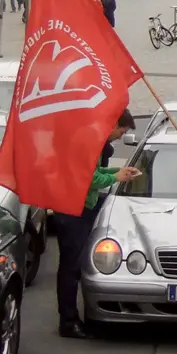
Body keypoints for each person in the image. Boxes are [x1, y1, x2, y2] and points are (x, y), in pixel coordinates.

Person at [53, 111, 141, 338]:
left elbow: (96, 171)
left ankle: (70, 318)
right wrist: (115, 178)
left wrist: (117, 172)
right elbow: (88, 178)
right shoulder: (87, 142)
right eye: (122, 131)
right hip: (72, 209)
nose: (121, 137)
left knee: (72, 266)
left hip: (75, 207)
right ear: (112, 124)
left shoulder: (89, 139)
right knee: (71, 268)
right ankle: (68, 321)